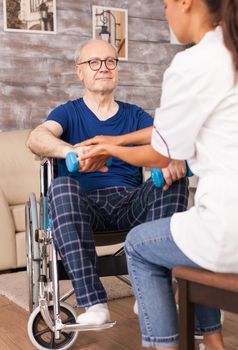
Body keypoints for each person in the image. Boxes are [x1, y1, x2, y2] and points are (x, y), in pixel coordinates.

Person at [79, 0, 238, 348]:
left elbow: (162, 149)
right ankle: (213, 341)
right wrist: (116, 141)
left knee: (139, 245)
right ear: (81, 72)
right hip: (223, 225)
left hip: (228, 230)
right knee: (187, 238)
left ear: (186, 3)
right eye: (94, 63)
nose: (165, 13)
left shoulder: (193, 62)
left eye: (166, 4)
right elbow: (169, 136)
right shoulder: (230, 50)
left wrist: (107, 149)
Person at [26, 39, 189, 326]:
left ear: (116, 68)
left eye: (110, 61)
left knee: (172, 181)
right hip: (83, 206)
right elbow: (36, 138)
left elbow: (164, 139)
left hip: (129, 201)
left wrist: (171, 156)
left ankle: (151, 293)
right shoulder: (68, 112)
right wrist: (71, 150)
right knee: (60, 187)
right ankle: (94, 304)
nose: (104, 68)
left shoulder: (134, 115)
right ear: (80, 71)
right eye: (94, 62)